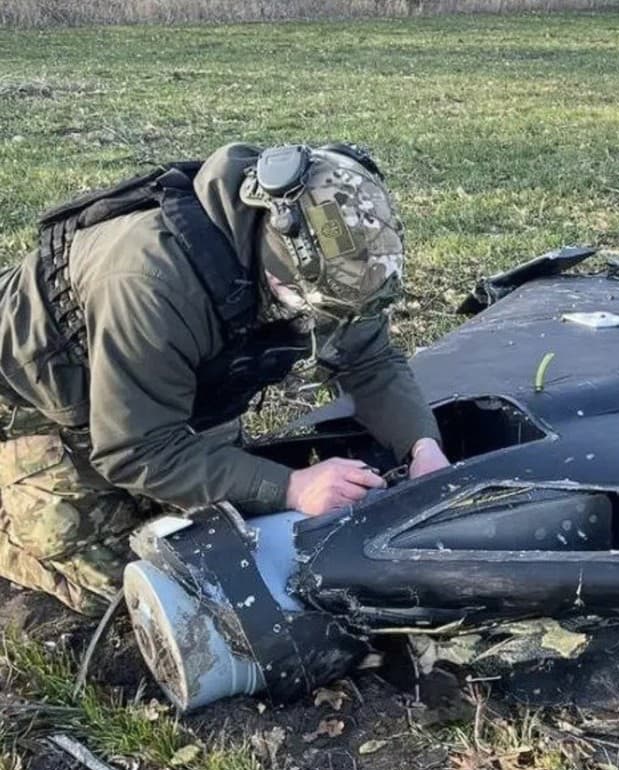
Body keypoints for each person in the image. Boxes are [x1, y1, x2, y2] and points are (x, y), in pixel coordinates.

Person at [0, 142, 449, 615]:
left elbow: (370, 361)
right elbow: (136, 450)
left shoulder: (331, 266)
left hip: (164, 390)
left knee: (231, 547)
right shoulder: (150, 280)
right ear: (276, 264)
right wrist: (294, 486)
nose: (328, 322)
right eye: (318, 309)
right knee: (131, 585)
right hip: (33, 399)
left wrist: (422, 447)